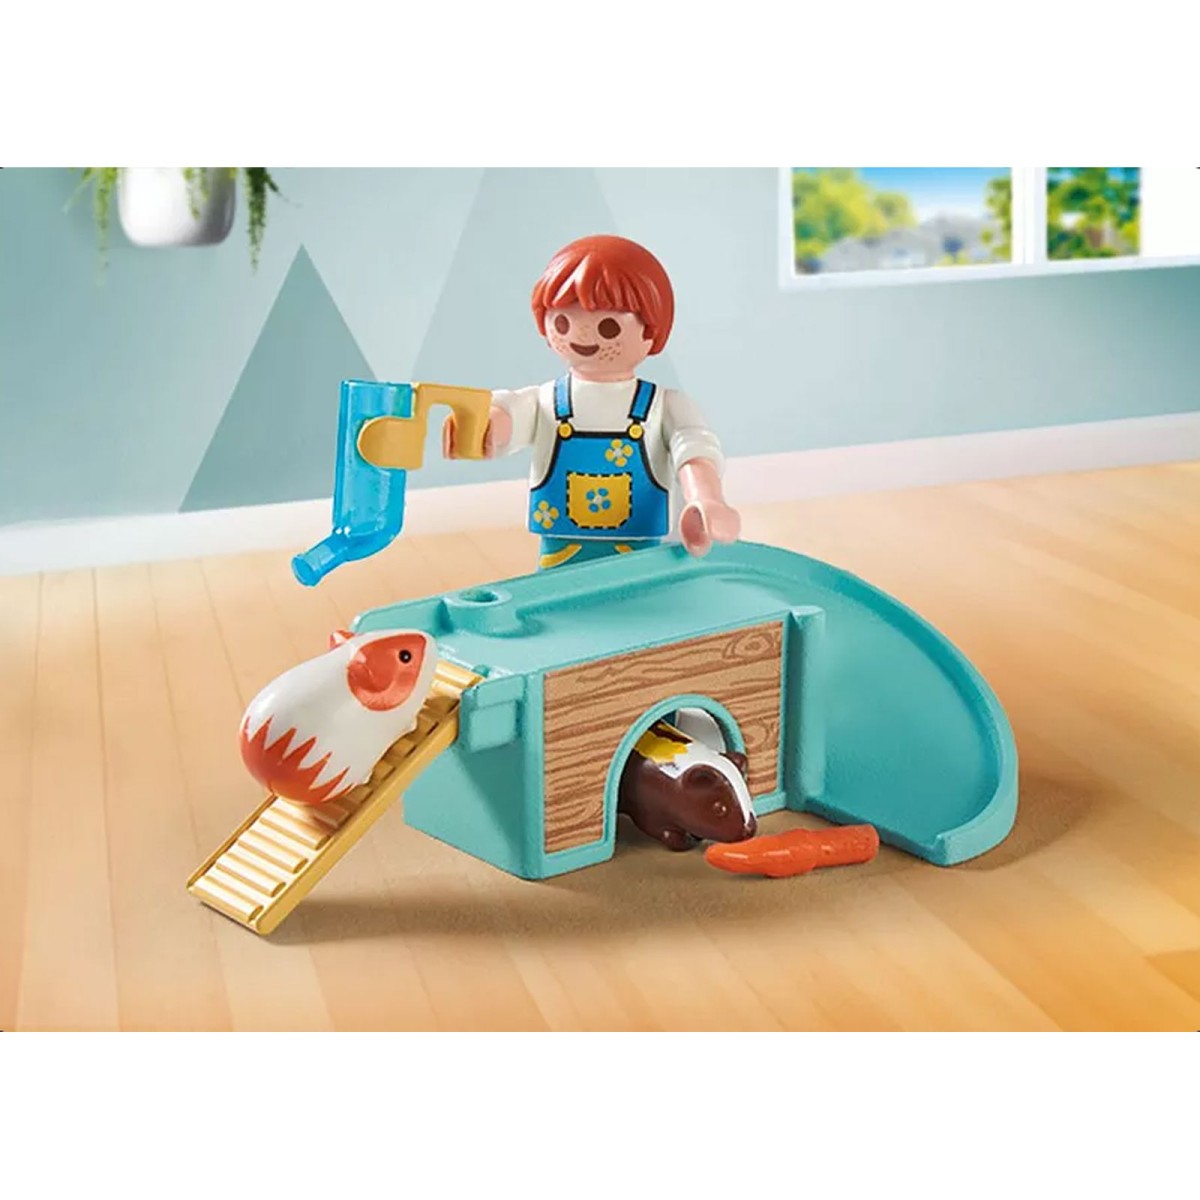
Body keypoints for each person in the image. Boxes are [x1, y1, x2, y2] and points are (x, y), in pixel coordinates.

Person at [443, 234, 740, 570]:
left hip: (639, 549)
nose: (580, 336)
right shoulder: (546, 401)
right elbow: (511, 412)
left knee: (640, 596)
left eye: (609, 327)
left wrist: (705, 497)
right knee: (560, 598)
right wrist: (487, 425)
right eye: (563, 322)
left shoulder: (662, 404)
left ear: (653, 328)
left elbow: (694, 448)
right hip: (560, 550)